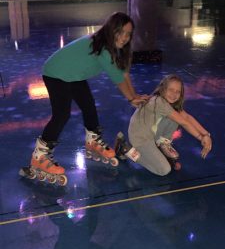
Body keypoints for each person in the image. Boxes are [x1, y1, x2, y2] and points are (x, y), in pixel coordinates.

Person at [20, 12, 149, 185]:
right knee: (62, 114)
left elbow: (124, 74)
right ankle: (39, 155)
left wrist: (134, 96)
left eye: (128, 34)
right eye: (121, 32)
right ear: (111, 29)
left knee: (89, 105)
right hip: (55, 72)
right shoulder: (104, 49)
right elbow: (118, 80)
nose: (125, 37)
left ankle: (92, 141)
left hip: (73, 74)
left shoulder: (115, 48)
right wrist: (131, 99)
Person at [115, 74, 212, 176]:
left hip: (149, 132)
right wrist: (201, 138)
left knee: (176, 116)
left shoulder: (167, 102)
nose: (174, 94)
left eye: (178, 92)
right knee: (164, 170)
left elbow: (187, 117)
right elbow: (184, 122)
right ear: (163, 89)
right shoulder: (159, 102)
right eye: (170, 89)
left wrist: (206, 135)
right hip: (140, 138)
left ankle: (162, 144)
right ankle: (125, 149)